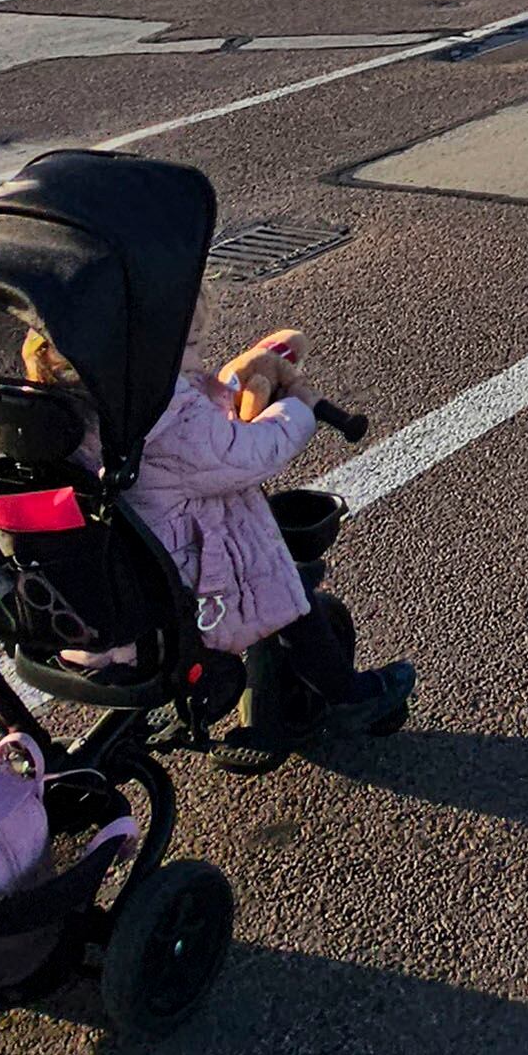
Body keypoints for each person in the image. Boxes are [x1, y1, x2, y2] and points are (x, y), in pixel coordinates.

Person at [125, 327, 415, 771]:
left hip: (121, 588)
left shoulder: (88, 413)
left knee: (263, 570)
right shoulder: (165, 418)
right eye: (189, 344)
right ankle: (347, 696)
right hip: (194, 588)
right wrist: (295, 409)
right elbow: (244, 454)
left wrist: (229, 386)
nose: (196, 355)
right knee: (277, 582)